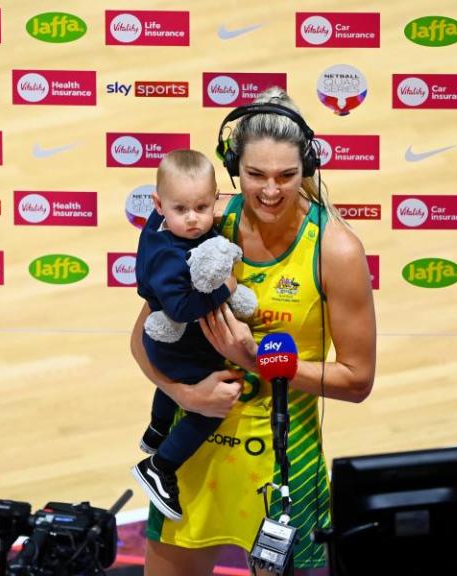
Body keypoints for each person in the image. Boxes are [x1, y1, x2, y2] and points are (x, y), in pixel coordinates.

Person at [130, 87, 376, 575]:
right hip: (192, 454)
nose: (270, 190)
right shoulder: (206, 222)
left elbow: (356, 379)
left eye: (287, 176)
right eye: (255, 175)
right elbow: (142, 339)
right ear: (232, 168)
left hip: (283, 464)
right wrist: (184, 393)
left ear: (307, 167)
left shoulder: (335, 249)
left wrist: (254, 359)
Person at [131, 149, 240, 522]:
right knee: (207, 409)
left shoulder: (158, 226)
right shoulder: (170, 257)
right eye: (182, 210)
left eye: (202, 206)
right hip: (174, 341)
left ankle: (158, 428)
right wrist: (224, 288)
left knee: (171, 383)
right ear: (159, 204)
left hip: (163, 340)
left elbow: (190, 202)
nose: (194, 220)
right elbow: (179, 308)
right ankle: (160, 466)